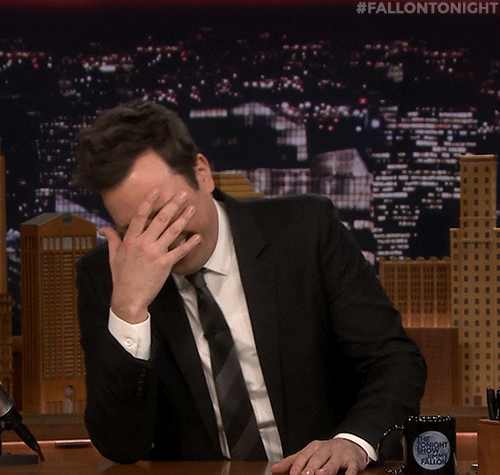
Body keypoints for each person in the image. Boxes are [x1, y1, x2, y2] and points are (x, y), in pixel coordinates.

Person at [74, 100, 426, 475]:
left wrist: (352, 443)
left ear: (202, 173)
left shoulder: (306, 231)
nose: (160, 241)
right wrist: (129, 311)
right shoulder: (108, 278)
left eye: (166, 216)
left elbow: (394, 362)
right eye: (135, 230)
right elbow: (121, 445)